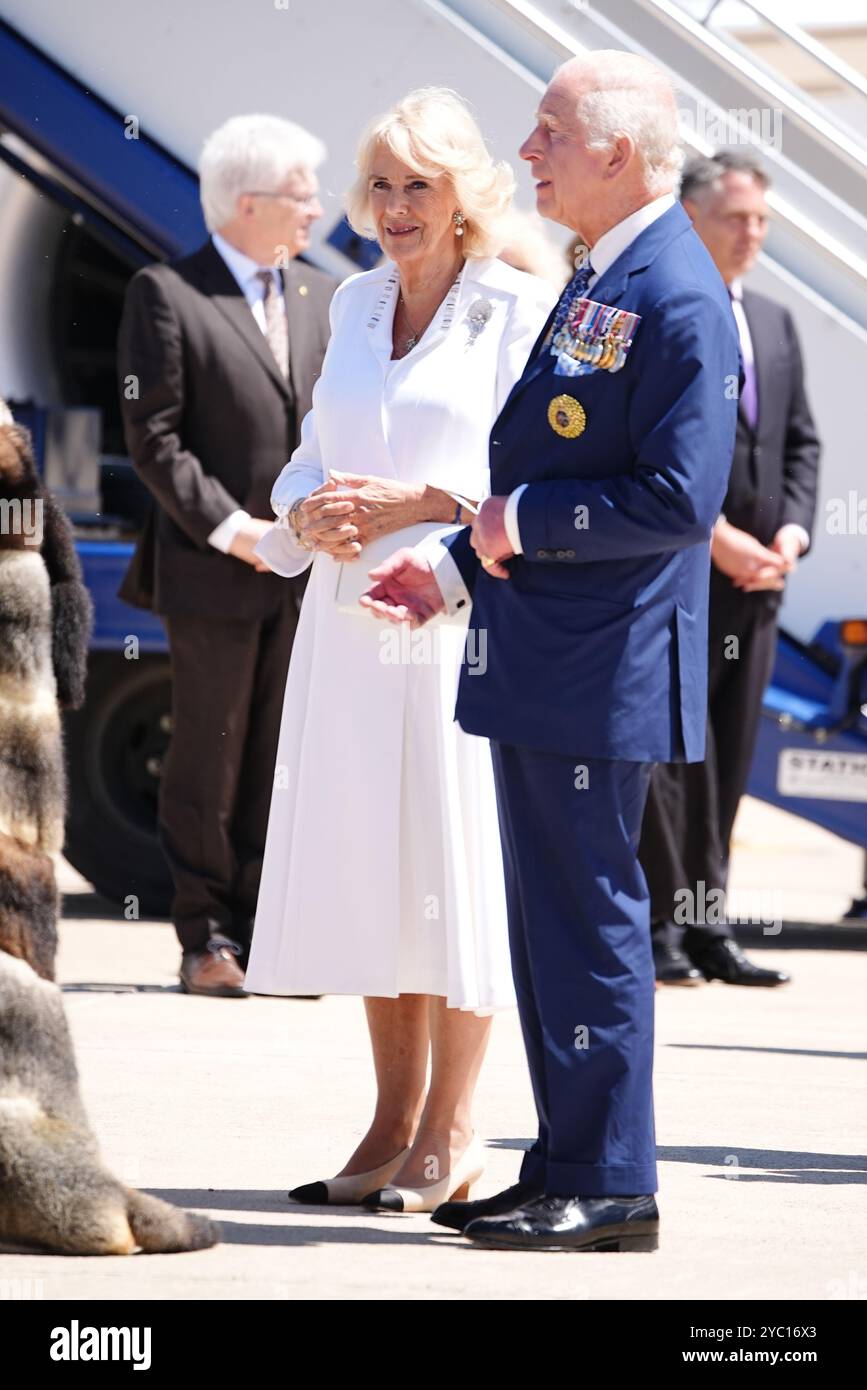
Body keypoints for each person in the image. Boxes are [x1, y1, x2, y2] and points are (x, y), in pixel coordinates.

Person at [362, 51, 740, 1251]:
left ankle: (615, 1180)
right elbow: (549, 465)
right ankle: (567, 1156)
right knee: (550, 926)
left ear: (617, 152)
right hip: (550, 657)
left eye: (547, 133)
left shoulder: (675, 290)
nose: (528, 154)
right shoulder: (603, 275)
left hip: (602, 669)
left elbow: (678, 499)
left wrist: (510, 528)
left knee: (590, 922)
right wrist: (456, 571)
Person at [244, 87, 554, 1213]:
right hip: (346, 628)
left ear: (465, 197)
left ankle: (456, 1127)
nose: (392, 205)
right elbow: (309, 454)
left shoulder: (518, 309)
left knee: (454, 866)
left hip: (456, 621)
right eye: (378, 183)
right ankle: (389, 1120)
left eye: (417, 183)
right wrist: (306, 514)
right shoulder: (355, 304)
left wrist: (421, 500)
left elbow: (539, 480)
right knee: (379, 868)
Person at [117, 115, 336, 997]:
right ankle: (206, 937)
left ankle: (269, 934)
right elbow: (155, 438)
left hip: (307, 569)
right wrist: (236, 531)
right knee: (210, 756)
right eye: (302, 194)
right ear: (248, 204)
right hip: (215, 570)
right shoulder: (166, 292)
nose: (318, 209)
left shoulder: (328, 294)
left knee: (285, 757)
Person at [639, 150, 820, 988]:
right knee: (675, 759)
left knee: (731, 757)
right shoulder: (664, 310)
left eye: (760, 221)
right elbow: (646, 446)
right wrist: (713, 538)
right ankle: (664, 931)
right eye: (736, 219)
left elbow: (799, 444)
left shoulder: (775, 321)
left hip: (756, 583)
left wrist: (789, 535)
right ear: (691, 218)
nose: (752, 235)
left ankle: (710, 928)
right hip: (680, 571)